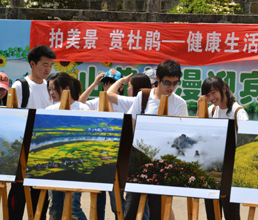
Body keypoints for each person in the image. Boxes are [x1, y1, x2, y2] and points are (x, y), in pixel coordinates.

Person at [124, 60, 188, 220]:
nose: (171, 87)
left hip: (164, 165)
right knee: (132, 209)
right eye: (167, 82)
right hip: (139, 162)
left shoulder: (180, 104)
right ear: (158, 79)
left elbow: (183, 137)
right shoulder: (144, 96)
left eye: (175, 83)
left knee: (158, 212)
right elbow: (132, 126)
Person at [8, 45, 56, 220]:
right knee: (19, 191)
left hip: (44, 148)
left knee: (40, 195)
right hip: (23, 148)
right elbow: (13, 117)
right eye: (44, 64)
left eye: (50, 65)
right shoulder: (20, 86)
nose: (48, 69)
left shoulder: (50, 86)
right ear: (32, 64)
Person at [79, 69, 126, 220]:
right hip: (97, 155)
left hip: (115, 156)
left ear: (120, 86)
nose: (108, 86)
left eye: (112, 83)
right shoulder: (97, 101)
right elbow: (79, 104)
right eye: (105, 83)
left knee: (117, 202)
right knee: (97, 200)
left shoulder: (123, 101)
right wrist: (93, 84)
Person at [199, 76, 248, 220]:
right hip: (211, 170)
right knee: (212, 214)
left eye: (214, 93)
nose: (211, 97)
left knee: (231, 214)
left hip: (231, 172)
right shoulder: (211, 110)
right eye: (207, 95)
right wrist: (199, 109)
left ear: (224, 89)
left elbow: (245, 145)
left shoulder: (238, 112)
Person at [46, 72, 90, 220]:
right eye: (49, 89)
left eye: (54, 89)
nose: (51, 93)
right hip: (53, 166)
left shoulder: (84, 109)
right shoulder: (49, 110)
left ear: (65, 89)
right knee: (55, 208)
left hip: (76, 167)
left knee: (74, 209)